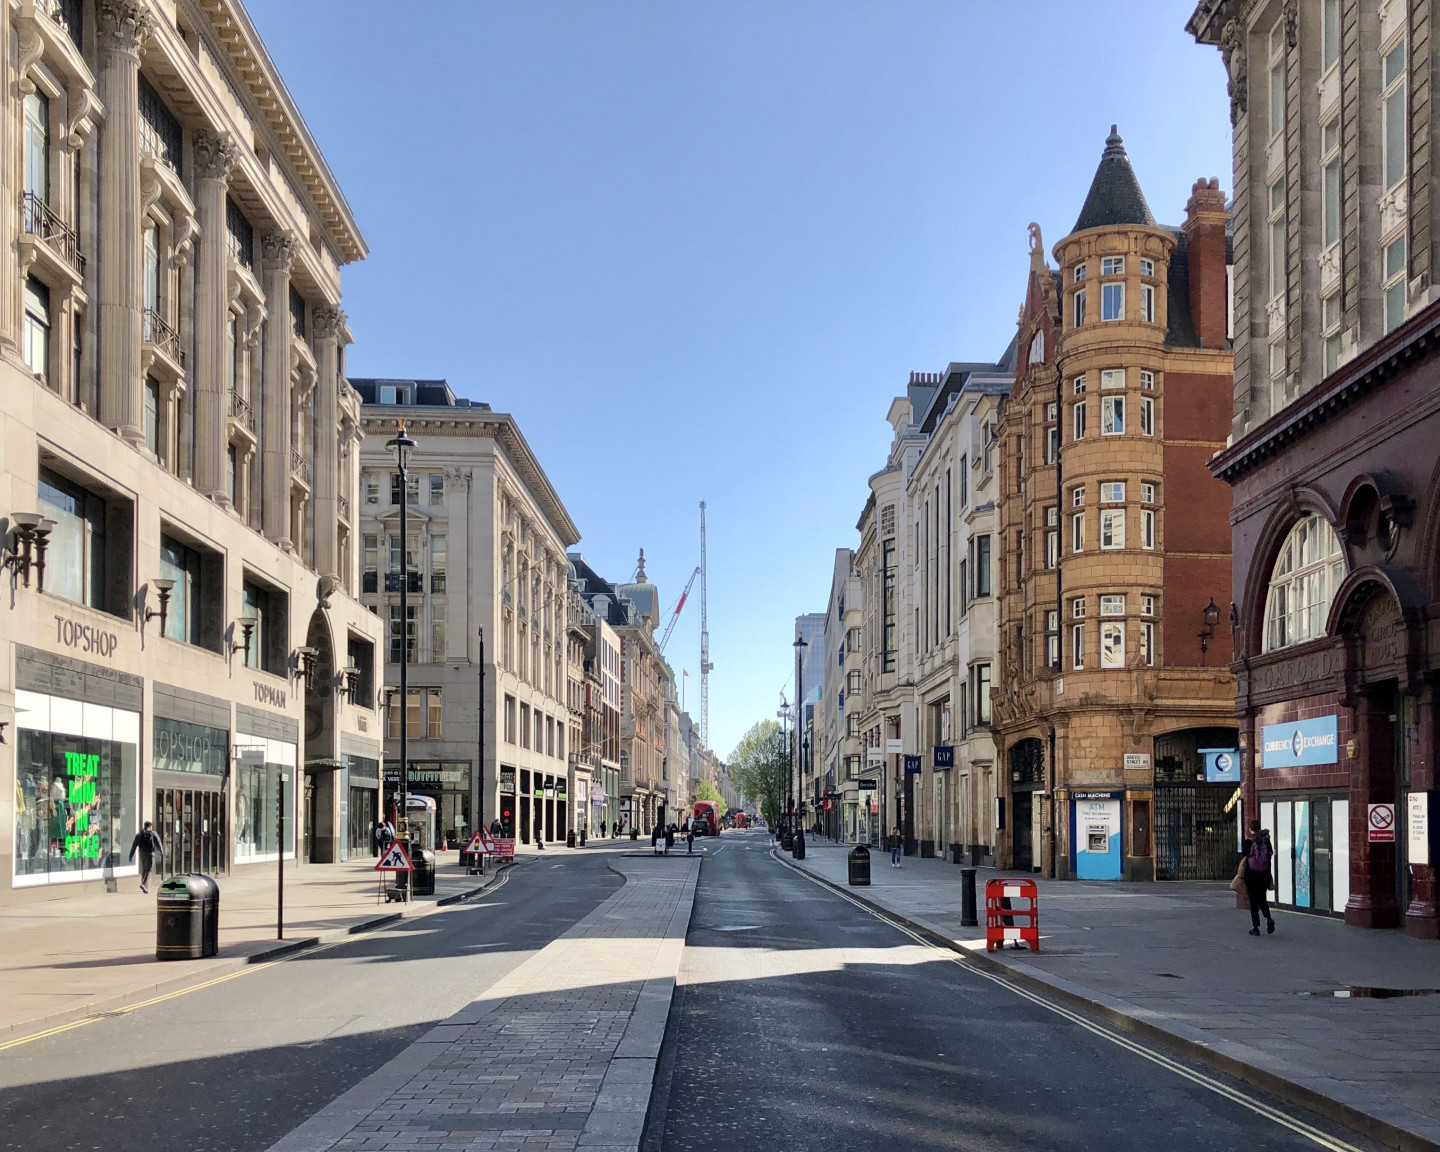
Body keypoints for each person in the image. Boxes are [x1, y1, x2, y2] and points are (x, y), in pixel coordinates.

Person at [1242, 819, 1276, 936]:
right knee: (1262, 898)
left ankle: (1255, 927)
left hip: (1252, 875)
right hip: (1264, 875)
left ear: (1250, 829)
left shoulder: (1249, 842)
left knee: (1253, 901)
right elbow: (1271, 852)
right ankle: (1269, 918)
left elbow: (1244, 856)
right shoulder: (1266, 840)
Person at [128, 822, 164, 893]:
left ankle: (144, 885)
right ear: (150, 826)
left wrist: (131, 855)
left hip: (142, 854)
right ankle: (144, 884)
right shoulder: (153, 833)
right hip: (151, 853)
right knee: (149, 869)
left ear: (144, 826)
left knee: (144, 869)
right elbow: (158, 843)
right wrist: (161, 851)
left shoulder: (139, 834)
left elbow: (134, 845)